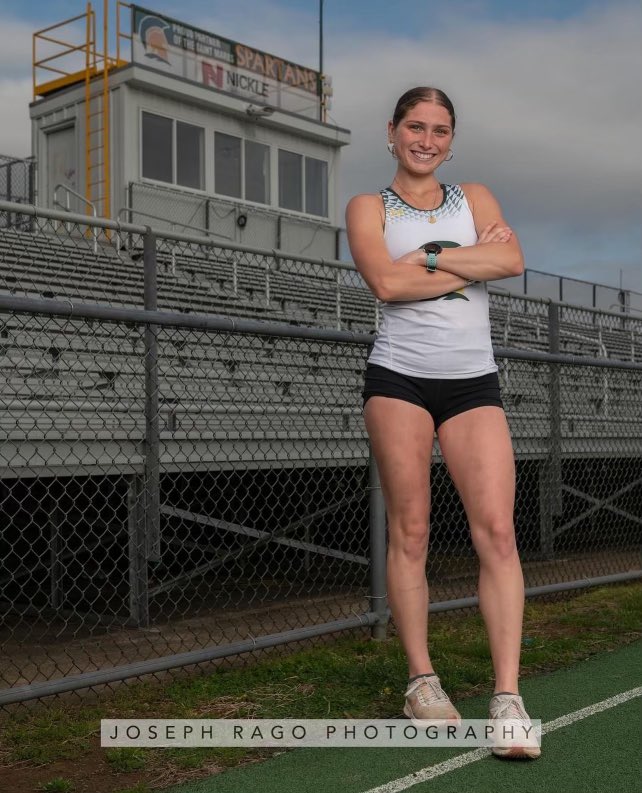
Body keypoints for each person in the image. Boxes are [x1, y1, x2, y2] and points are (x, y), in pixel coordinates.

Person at [345, 86, 540, 760]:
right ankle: (421, 681)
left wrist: (427, 256)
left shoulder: (475, 198)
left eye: (439, 129)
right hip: (398, 377)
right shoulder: (367, 206)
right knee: (413, 529)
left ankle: (508, 698)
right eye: (415, 127)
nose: (427, 139)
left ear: (451, 140)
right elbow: (385, 285)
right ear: (392, 132)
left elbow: (511, 262)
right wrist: (466, 260)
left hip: (472, 381)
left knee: (496, 530)